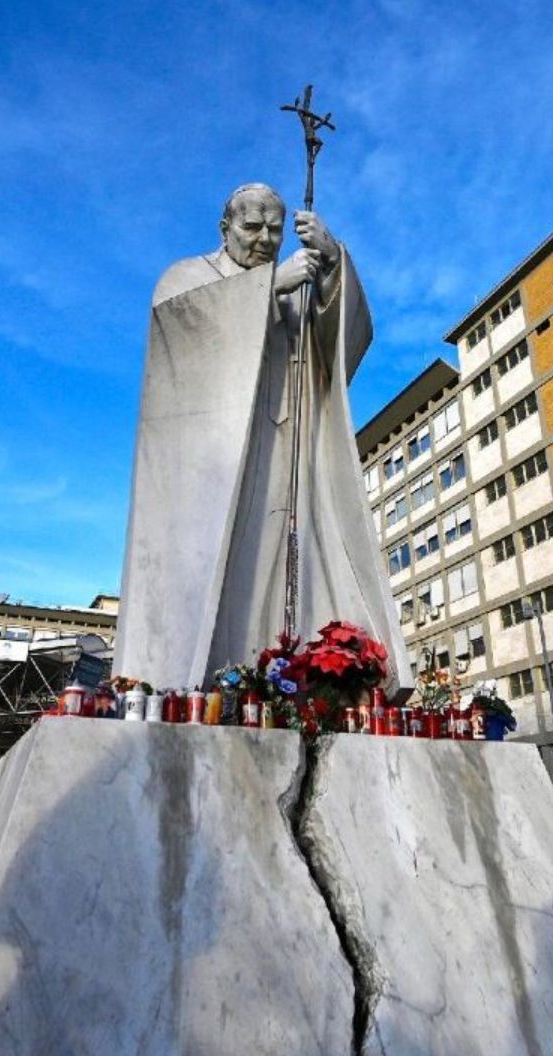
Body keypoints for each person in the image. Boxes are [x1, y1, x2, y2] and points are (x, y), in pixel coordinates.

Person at [114, 182, 412, 693]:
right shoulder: (188, 277)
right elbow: (178, 332)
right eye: (251, 227)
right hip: (219, 462)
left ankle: (286, 677)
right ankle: (198, 682)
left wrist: (333, 259)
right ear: (224, 227)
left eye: (275, 230)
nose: (263, 239)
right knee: (226, 572)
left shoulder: (297, 290)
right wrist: (270, 286)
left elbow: (344, 345)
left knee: (286, 571)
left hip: (289, 456)